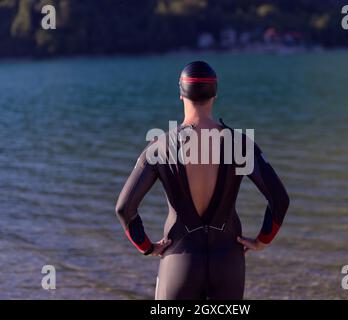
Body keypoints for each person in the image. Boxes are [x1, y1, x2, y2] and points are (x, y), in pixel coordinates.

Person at [115, 61, 290, 299]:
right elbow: (279, 200)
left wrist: (147, 247)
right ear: (215, 94)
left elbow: (125, 208)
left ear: (180, 94)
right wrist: (262, 241)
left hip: (179, 262)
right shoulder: (240, 144)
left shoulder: (160, 147)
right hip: (228, 262)